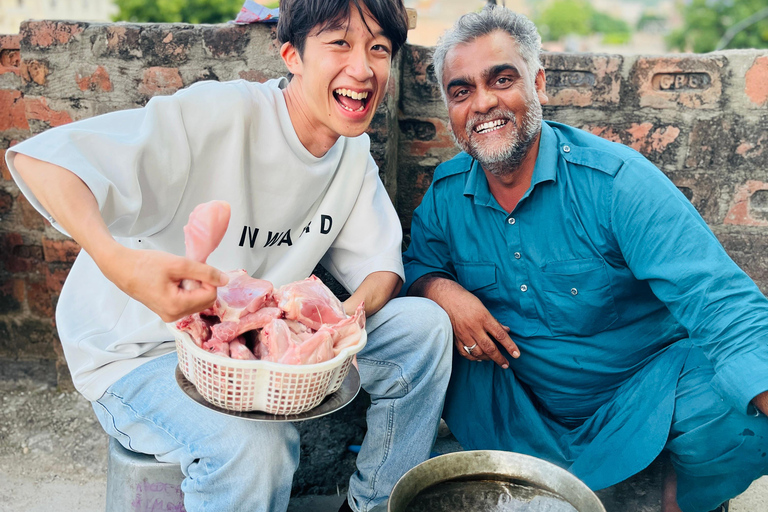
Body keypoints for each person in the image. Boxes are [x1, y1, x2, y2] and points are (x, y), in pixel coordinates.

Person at [5, 1, 452, 511]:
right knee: (256, 445)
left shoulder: (350, 155)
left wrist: (333, 325)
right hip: (138, 353)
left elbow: (381, 270)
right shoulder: (218, 115)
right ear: (293, 56)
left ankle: (372, 503)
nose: (362, 67)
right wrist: (119, 264)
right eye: (339, 43)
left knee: (424, 327)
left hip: (255, 342)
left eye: (378, 48)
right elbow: (47, 162)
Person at [402, 6, 768, 512]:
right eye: (462, 91)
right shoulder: (445, 196)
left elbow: (719, 300)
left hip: (640, 400)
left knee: (745, 413)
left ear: (539, 85)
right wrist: (442, 290)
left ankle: (678, 500)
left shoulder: (617, 182)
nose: (482, 103)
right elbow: (417, 267)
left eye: (501, 80)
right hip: (515, 408)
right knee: (416, 324)